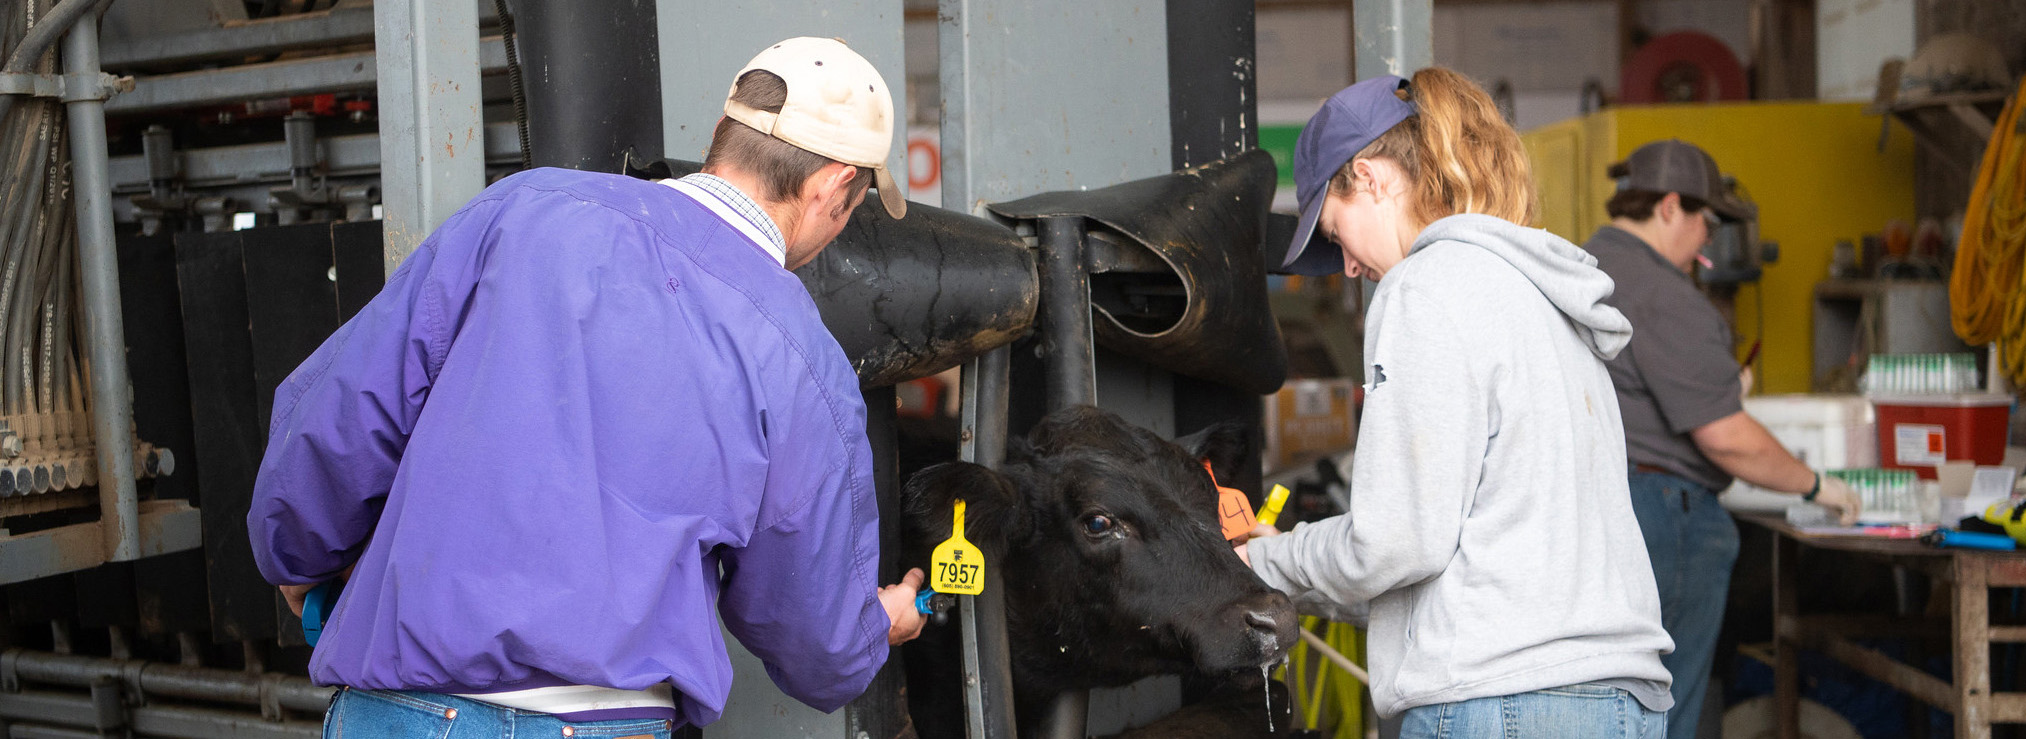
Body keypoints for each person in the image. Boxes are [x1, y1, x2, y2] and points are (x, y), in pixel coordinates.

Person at [246, 37, 927, 737]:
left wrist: (296, 555)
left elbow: (343, 412)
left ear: (725, 135)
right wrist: (877, 623)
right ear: (834, 186)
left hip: (401, 713)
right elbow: (817, 645)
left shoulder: (523, 209)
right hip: (600, 722)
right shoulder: (803, 358)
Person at [1244, 70, 1675, 738]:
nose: (1350, 268)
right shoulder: (1543, 296)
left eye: (1336, 230)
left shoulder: (1426, 287)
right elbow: (1464, 557)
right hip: (1617, 701)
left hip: (1503, 703)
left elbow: (1393, 541)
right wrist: (1298, 569)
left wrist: (1256, 562)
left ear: (1370, 176)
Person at [1584, 139, 1861, 739]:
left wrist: (1714, 384)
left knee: (1603, 705)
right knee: (1663, 711)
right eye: (1706, 222)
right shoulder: (1663, 293)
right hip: (1662, 518)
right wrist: (1820, 486)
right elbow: (1727, 438)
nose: (1708, 240)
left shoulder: (1583, 267)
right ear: (1668, 208)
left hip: (1595, 508)